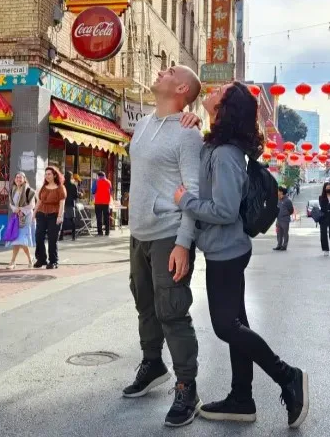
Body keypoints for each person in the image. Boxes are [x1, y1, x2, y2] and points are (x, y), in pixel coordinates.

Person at [174, 81, 309, 429]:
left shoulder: (226, 155)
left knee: (225, 327)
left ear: (226, 108)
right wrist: (192, 124)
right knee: (238, 324)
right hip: (223, 249)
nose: (213, 89)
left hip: (227, 252)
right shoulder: (217, 147)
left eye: (220, 91)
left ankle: (288, 377)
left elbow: (223, 209)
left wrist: (183, 201)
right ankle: (241, 397)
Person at [124, 65, 204, 428]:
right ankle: (152, 363)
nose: (159, 71)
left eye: (170, 70)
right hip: (138, 232)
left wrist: (184, 243)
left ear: (182, 88)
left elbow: (194, 192)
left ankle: (187, 386)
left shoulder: (187, 135)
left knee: (171, 309)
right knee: (144, 303)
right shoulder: (142, 124)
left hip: (169, 233)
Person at [34, 166, 66, 269]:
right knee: (38, 236)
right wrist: (34, 213)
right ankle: (41, 259)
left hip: (54, 214)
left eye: (49, 174)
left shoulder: (60, 187)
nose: (47, 176)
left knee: (52, 239)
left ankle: (53, 261)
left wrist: (60, 216)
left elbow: (62, 203)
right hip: (41, 214)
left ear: (55, 175)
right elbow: (39, 201)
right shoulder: (43, 187)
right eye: (46, 174)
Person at [5, 172, 35, 269]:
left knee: (20, 240)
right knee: (17, 240)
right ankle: (25, 260)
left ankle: (14, 262)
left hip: (26, 217)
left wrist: (21, 210)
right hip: (16, 216)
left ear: (24, 179)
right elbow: (11, 203)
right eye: (17, 177)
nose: (18, 179)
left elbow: (32, 205)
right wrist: (15, 209)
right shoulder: (12, 190)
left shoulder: (29, 191)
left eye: (20, 177)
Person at [317, 182, 330, 257]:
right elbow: (323, 207)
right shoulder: (321, 197)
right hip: (324, 217)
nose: (328, 189)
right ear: (324, 189)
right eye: (327, 188)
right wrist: (329, 205)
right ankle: (325, 249)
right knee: (323, 234)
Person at [273, 186, 294, 251]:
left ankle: (284, 246)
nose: (277, 192)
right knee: (279, 233)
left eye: (278, 191)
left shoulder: (287, 200)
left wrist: (285, 214)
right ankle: (279, 245)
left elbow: (291, 210)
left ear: (281, 192)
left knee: (285, 233)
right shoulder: (278, 200)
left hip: (285, 220)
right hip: (278, 219)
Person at [93, 171, 113, 236]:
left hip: (98, 202)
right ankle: (107, 232)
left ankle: (100, 232)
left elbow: (93, 191)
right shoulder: (109, 182)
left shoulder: (96, 182)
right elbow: (110, 192)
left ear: (98, 176)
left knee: (99, 218)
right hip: (106, 203)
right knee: (106, 217)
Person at [63, 174, 79, 241]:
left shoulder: (62, 185)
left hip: (63, 204)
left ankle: (61, 236)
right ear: (71, 177)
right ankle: (73, 236)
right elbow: (76, 196)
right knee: (72, 220)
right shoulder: (73, 185)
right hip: (71, 204)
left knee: (62, 220)